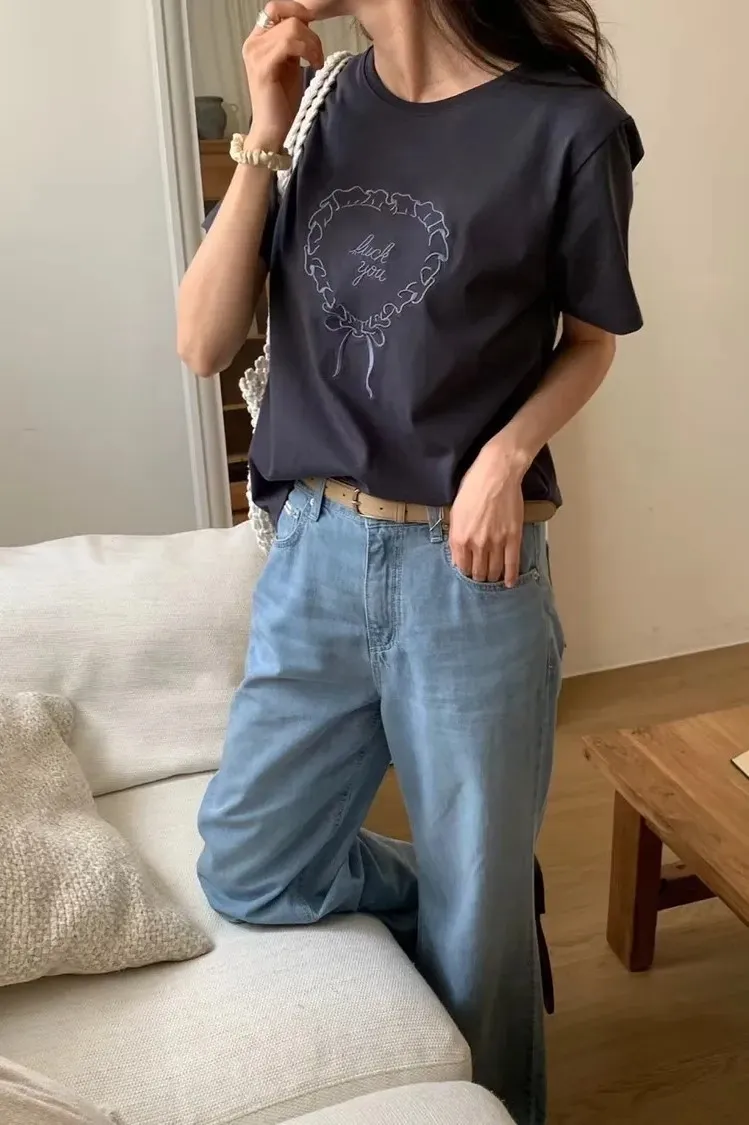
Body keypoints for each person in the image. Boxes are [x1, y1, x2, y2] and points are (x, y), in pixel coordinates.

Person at [177, 2, 643, 1121]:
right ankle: (464, 880)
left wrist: (507, 455)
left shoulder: (568, 129)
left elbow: (588, 344)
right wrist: (263, 133)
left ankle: (485, 948)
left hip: (466, 572)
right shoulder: (321, 106)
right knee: (248, 863)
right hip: (316, 553)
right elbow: (200, 342)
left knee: (478, 951)